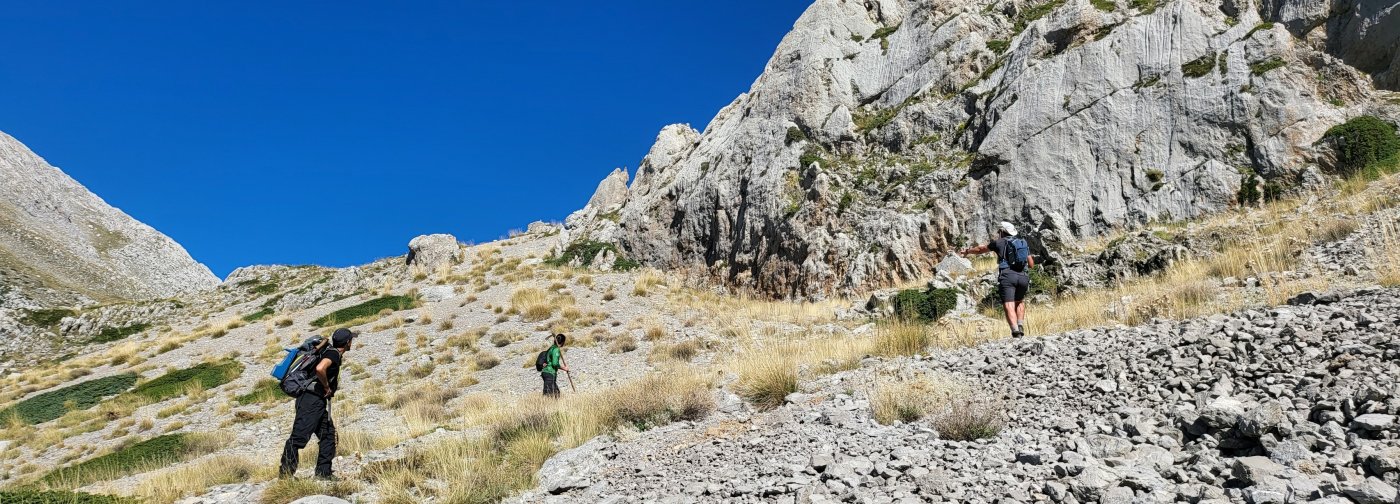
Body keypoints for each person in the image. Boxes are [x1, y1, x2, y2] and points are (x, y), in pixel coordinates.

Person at [279, 328, 354, 479]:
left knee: (329, 436)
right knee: (298, 438)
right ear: (348, 343)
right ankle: (285, 475)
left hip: (315, 401)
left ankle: (323, 473)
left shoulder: (329, 350)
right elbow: (321, 368)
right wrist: (326, 386)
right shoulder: (333, 354)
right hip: (310, 401)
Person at [959, 222, 1035, 338]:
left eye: (999, 232)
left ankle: (1015, 331)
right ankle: (1020, 325)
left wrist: (968, 251)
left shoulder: (999, 242)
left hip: (1008, 276)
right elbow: (1031, 264)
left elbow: (981, 249)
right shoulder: (1023, 242)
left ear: (1002, 232)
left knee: (1008, 303)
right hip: (1023, 277)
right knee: (1019, 301)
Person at [541, 333, 570, 398]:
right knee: (554, 394)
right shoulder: (556, 349)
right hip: (550, 372)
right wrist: (564, 368)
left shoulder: (551, 348)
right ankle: (549, 406)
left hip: (545, 372)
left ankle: (545, 405)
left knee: (551, 393)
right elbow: (555, 363)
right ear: (562, 342)